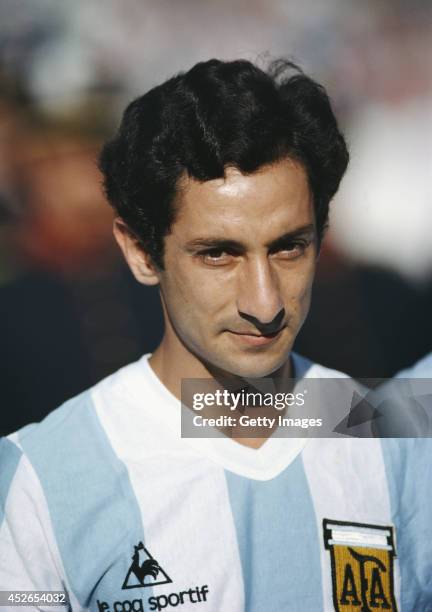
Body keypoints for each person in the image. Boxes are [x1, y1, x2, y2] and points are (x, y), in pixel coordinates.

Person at [0, 58, 431, 611]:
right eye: (218, 254)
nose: (265, 302)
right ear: (139, 251)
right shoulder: (37, 480)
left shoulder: (388, 430)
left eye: (289, 247)